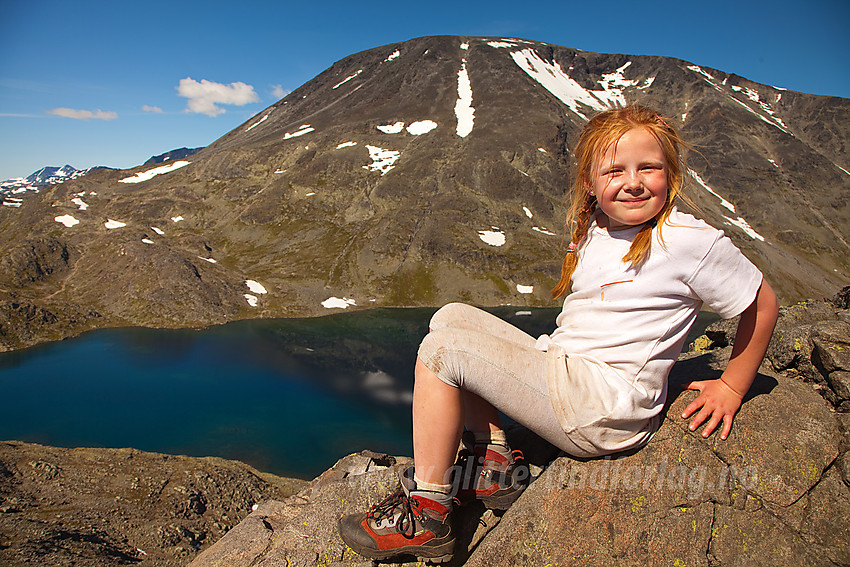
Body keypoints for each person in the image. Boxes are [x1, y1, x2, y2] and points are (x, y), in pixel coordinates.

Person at [337, 104, 779, 563]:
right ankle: (493, 464)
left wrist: (731, 384)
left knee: (442, 353)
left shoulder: (689, 239)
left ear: (671, 172)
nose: (633, 181)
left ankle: (429, 512)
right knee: (450, 316)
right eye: (615, 170)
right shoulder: (598, 228)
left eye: (649, 167)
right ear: (591, 183)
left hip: (600, 408)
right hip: (571, 377)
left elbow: (763, 302)